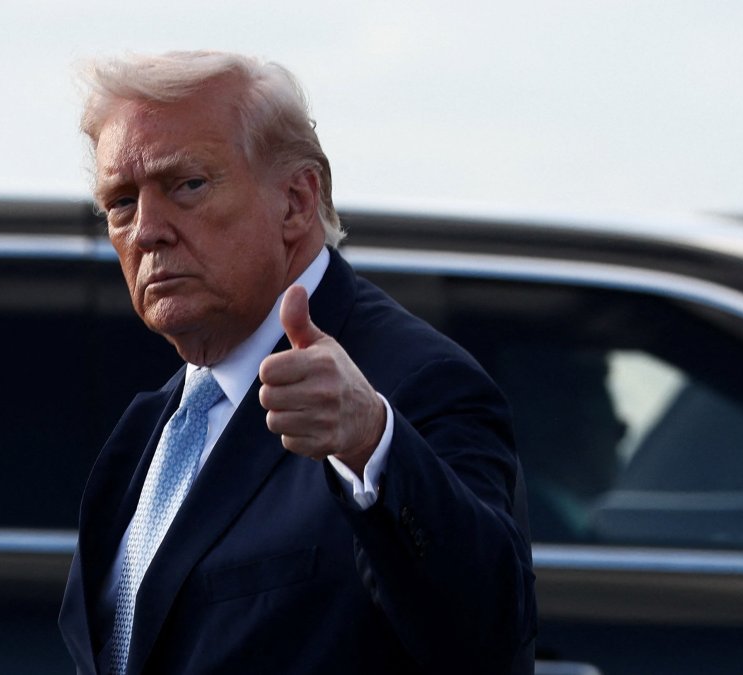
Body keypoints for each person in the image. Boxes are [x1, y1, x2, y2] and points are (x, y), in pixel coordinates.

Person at [58, 50, 536, 675]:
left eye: (188, 185)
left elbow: (490, 637)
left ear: (295, 200)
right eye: (121, 202)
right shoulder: (152, 425)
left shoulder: (409, 384)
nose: (147, 229)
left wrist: (373, 444)